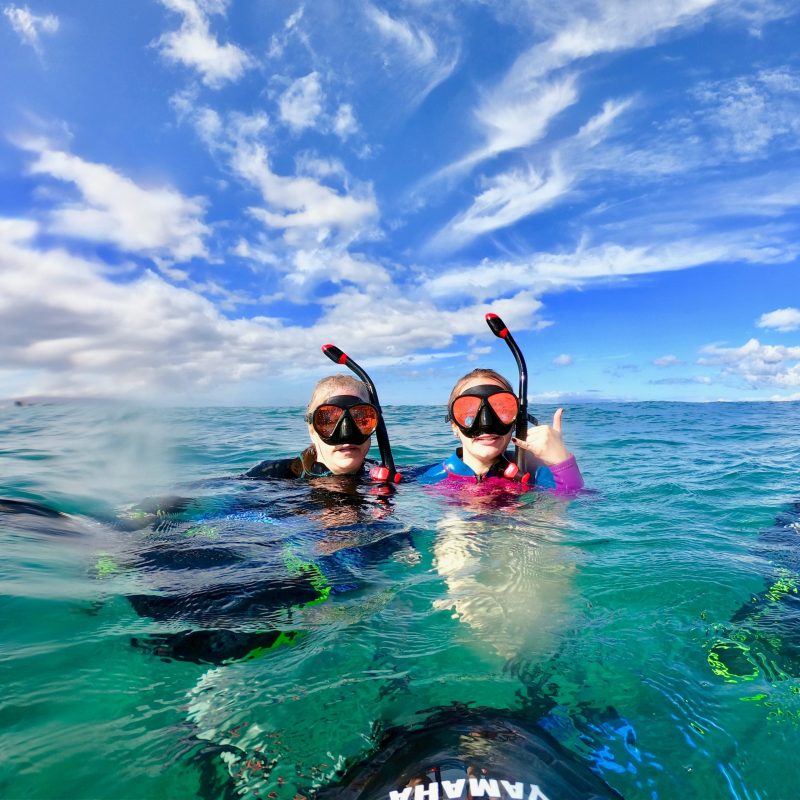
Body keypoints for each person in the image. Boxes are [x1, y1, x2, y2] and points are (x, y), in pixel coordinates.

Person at [419, 368, 583, 492]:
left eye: (501, 411)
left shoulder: (533, 473)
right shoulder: (430, 478)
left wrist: (561, 461)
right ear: (454, 426)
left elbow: (576, 499)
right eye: (469, 414)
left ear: (516, 422)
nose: (486, 424)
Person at [244, 374, 380, 480]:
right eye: (329, 421)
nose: (347, 433)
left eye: (361, 419)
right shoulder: (270, 475)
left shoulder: (387, 475)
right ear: (312, 431)